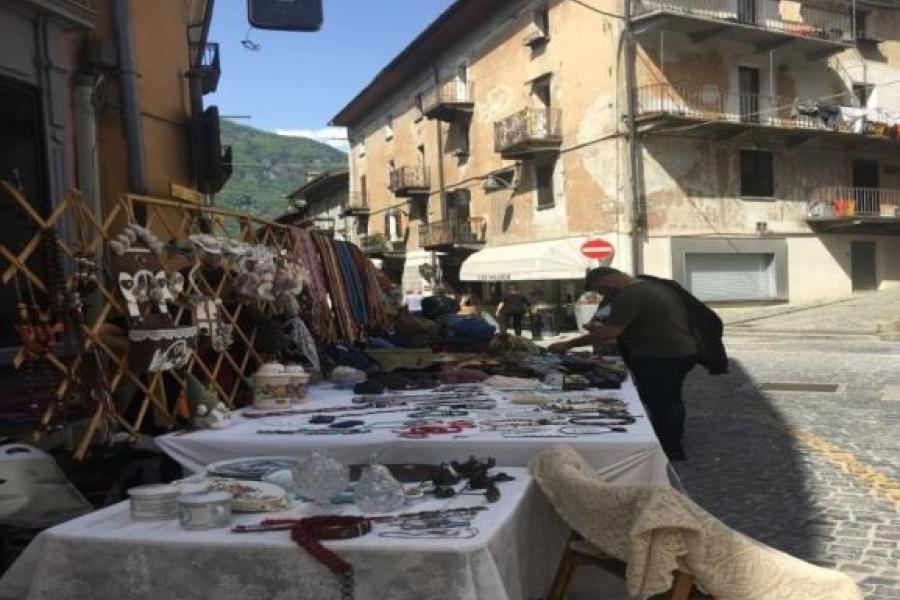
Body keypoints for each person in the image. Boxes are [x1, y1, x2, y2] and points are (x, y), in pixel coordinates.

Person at [548, 268, 700, 461]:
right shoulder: (649, 286)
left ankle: (670, 450)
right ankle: (675, 439)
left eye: (602, 289)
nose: (604, 294)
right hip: (681, 351)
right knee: (672, 398)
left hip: (658, 355)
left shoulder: (630, 294)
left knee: (661, 402)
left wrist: (567, 344)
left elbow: (609, 333)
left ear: (609, 279)